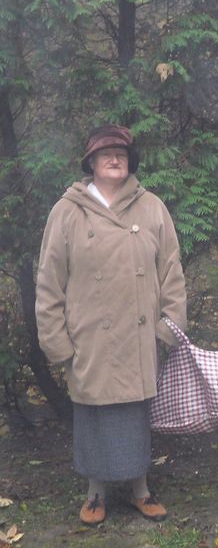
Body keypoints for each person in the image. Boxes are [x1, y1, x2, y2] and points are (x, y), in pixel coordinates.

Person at [36, 124, 187, 525]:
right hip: (89, 339)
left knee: (134, 416)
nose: (114, 158)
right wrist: (58, 344)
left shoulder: (152, 207)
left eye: (121, 152)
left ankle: (141, 489)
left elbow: (171, 272)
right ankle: (95, 494)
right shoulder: (67, 211)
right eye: (105, 153)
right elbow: (49, 282)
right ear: (91, 162)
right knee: (94, 415)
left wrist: (168, 327)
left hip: (139, 336)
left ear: (130, 160)